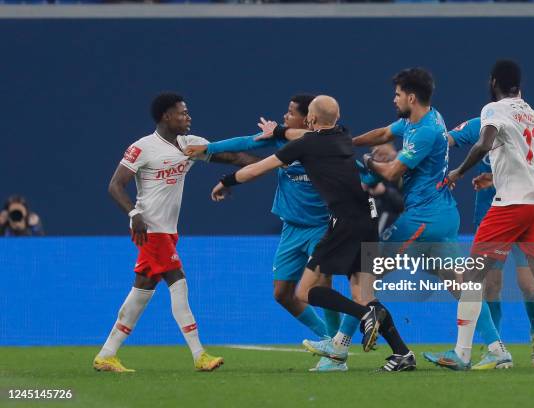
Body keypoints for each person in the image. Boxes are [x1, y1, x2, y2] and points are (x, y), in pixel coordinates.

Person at [210, 95, 416, 372]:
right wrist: (280, 131)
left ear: (311, 119)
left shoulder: (305, 144)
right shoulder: (343, 135)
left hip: (344, 222)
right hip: (368, 218)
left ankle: (363, 318)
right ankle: (402, 354)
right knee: (363, 294)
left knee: (306, 291)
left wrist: (225, 181)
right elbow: (306, 130)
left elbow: (256, 170)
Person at [423, 60, 534, 370]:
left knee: (473, 277)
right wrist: (497, 175)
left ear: (493, 82)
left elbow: (484, 142)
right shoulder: (532, 115)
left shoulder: (494, 110)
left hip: (511, 205)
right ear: (520, 85)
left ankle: (462, 353)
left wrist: (458, 172)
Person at [352, 68, 511, 369]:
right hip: (442, 214)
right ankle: (496, 347)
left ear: (411, 97)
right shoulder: (421, 119)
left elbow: (392, 172)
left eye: (397, 94)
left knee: (364, 272)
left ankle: (339, 347)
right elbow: (385, 133)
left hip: (423, 218)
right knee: (459, 283)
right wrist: (350, 142)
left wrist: (366, 159)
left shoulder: (425, 131)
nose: (393, 98)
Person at [185, 95, 354, 372]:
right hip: (291, 229)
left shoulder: (326, 144)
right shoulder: (282, 141)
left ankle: (336, 354)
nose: (285, 117)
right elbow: (245, 143)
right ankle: (329, 338)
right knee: (282, 293)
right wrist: (208, 149)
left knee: (321, 286)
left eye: (290, 113)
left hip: (321, 227)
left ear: (308, 117)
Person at [94, 92, 259, 373]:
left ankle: (107, 354)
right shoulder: (142, 147)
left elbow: (231, 156)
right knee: (178, 282)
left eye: (187, 112)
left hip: (167, 231)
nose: (188, 117)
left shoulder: (190, 145)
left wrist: (272, 163)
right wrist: (134, 215)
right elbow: (115, 186)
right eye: (182, 113)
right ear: (165, 117)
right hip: (150, 229)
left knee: (142, 291)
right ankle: (199, 354)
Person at [448, 117, 534, 367]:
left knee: (529, 285)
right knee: (491, 286)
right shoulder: (481, 124)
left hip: (524, 216)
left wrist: (493, 180)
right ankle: (495, 347)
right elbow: (448, 139)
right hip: (492, 216)